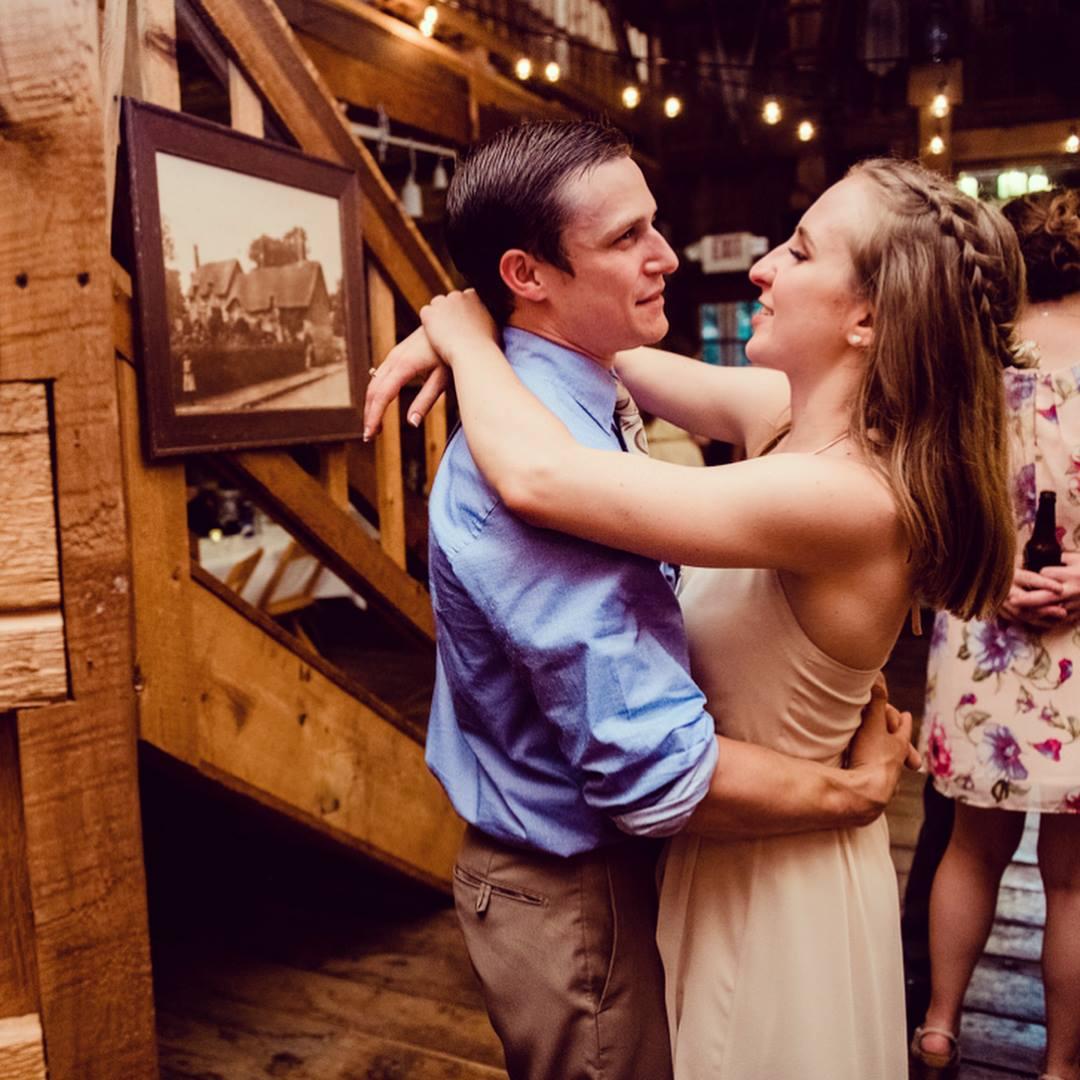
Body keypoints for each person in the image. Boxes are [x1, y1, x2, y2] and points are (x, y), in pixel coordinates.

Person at [365, 147, 1022, 1079]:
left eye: (798, 252)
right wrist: (487, 318)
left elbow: (544, 477)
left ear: (869, 317)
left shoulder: (847, 494)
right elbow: (606, 344)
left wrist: (470, 338)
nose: (761, 266)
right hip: (719, 853)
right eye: (633, 234)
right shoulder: (788, 414)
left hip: (772, 884)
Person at [912, 187, 1080, 1080]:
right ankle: (1059, 1066)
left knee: (969, 848)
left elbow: (925, 498)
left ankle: (938, 1027)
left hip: (984, 629)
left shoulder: (974, 363)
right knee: (1075, 882)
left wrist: (988, 566)